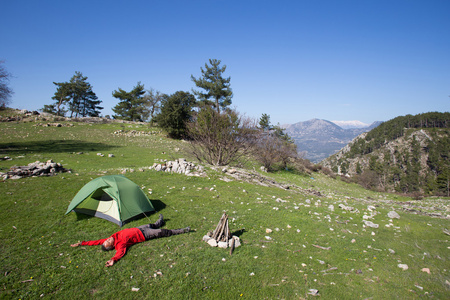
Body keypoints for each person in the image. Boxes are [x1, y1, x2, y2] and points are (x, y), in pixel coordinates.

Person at [70, 214, 190, 267]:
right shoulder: (119, 244)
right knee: (164, 232)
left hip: (139, 228)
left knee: (152, 224)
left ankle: (161, 220)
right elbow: (120, 253)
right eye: (108, 242)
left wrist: (81, 243)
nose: (108, 239)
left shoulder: (112, 237)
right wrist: (113, 259)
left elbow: (95, 242)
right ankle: (183, 230)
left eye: (106, 240)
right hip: (144, 235)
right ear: (111, 246)